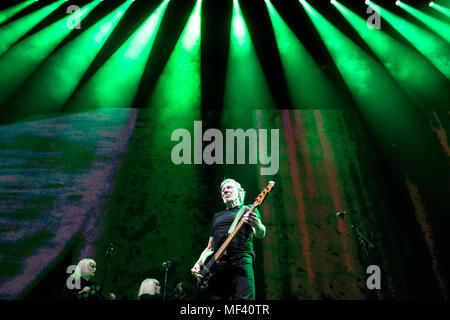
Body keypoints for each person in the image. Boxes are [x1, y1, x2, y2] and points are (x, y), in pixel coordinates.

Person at [191, 178, 266, 300]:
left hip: (241, 261)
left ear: (240, 192)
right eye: (223, 190)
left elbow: (260, 234)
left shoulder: (249, 209)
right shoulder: (217, 217)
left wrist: (257, 224)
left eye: (229, 187)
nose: (225, 190)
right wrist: (198, 263)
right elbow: (210, 247)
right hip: (218, 266)